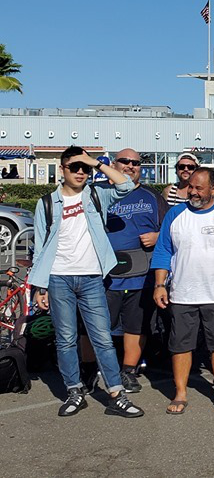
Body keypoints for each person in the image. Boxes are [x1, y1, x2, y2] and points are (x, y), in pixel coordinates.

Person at [31, 146, 145, 418]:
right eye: (74, 167)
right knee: (66, 339)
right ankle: (74, 391)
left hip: (93, 277)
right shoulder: (47, 203)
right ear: (62, 170)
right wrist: (39, 286)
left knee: (103, 338)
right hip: (59, 278)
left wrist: (95, 162)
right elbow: (39, 245)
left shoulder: (96, 195)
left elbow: (126, 184)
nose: (80, 172)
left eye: (85, 168)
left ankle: (116, 394)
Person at [152, 167, 214, 415]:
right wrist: (159, 284)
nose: (192, 192)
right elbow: (163, 251)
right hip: (182, 294)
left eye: (199, 188)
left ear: (213, 189)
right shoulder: (175, 214)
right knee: (180, 345)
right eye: (191, 187)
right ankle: (180, 393)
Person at [100, 148, 168, 393]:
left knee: (135, 326)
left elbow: (173, 230)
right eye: (125, 161)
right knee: (100, 326)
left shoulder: (152, 197)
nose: (130, 166)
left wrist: (158, 235)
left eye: (136, 163)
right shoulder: (100, 193)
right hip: (106, 274)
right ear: (113, 164)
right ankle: (96, 370)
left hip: (142, 274)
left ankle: (129, 371)